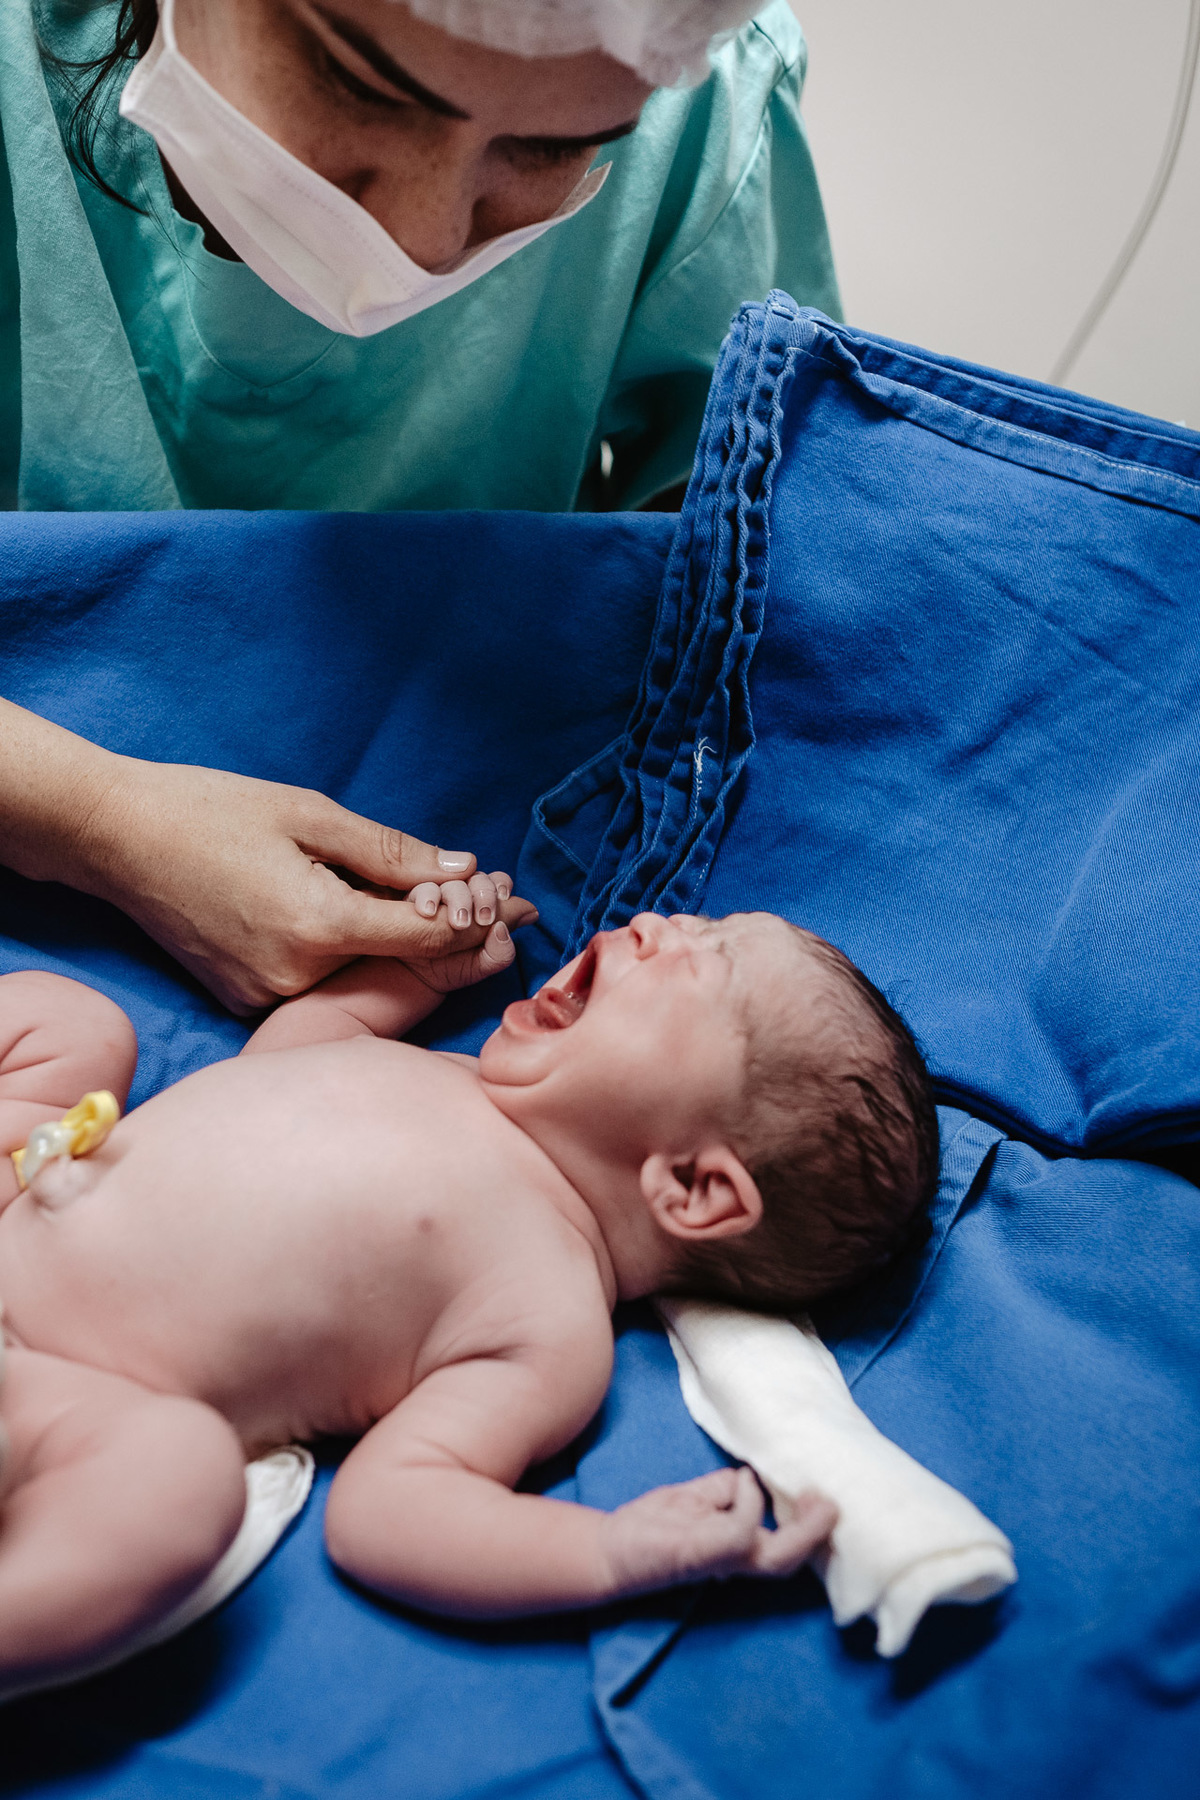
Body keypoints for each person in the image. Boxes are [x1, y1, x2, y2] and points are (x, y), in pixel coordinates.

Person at [0, 0, 840, 1012]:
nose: (423, 240)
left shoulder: (701, 105)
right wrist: (100, 818)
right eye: (359, 87)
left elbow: (748, 582)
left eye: (552, 146)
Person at [0, 907, 937, 1690]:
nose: (656, 920)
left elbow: (393, 1508)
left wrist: (610, 1552)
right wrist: (413, 971)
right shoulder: (446, 1074)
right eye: (702, 921)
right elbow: (278, 1058)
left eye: (706, 961)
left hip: (45, 1379)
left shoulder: (546, 1320)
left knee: (180, 1477)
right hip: (22, 1178)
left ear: (693, 1187)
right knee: (74, 1027)